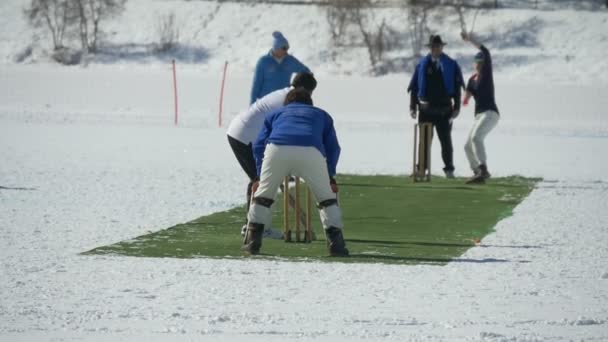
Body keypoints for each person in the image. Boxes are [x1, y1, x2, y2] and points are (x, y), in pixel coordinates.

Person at [242, 88, 348, 257]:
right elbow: (333, 148)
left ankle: (253, 241)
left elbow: (258, 145)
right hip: (311, 151)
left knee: (263, 196)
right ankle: (336, 245)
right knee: (326, 199)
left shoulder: (275, 114)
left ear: (287, 103)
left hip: (277, 149)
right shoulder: (322, 115)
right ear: (310, 103)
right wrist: (330, 176)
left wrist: (259, 175)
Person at [227, 73, 318, 238]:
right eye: (310, 93)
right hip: (245, 136)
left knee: (260, 179)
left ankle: (252, 225)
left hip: (242, 133)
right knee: (263, 181)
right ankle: (258, 228)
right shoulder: (287, 101)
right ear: (304, 89)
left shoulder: (285, 94)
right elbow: (281, 131)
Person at [408, 35, 464, 178]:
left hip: (444, 110)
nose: (435, 49)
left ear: (442, 47)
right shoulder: (422, 65)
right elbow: (415, 87)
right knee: (424, 142)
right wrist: (412, 107)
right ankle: (421, 169)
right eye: (433, 46)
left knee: (446, 141)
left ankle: (449, 170)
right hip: (425, 110)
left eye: (438, 46)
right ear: (430, 48)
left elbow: (457, 87)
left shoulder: (450, 64)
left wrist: (457, 107)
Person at [461, 31, 500, 184]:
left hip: (490, 113)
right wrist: (465, 99)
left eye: (481, 62)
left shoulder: (486, 74)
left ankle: (483, 169)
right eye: (477, 61)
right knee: (467, 146)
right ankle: (477, 172)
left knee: (477, 138)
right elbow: (468, 94)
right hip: (479, 115)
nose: (479, 64)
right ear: (474, 63)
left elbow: (485, 51)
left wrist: (470, 39)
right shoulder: (471, 79)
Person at [250, 31, 311, 104]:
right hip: (266, 102)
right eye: (284, 48)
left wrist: (295, 87)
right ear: (276, 47)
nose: (286, 51)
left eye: (287, 48)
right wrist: (252, 105)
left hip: (283, 101)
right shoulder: (263, 62)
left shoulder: (290, 61)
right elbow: (256, 85)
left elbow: (306, 71)